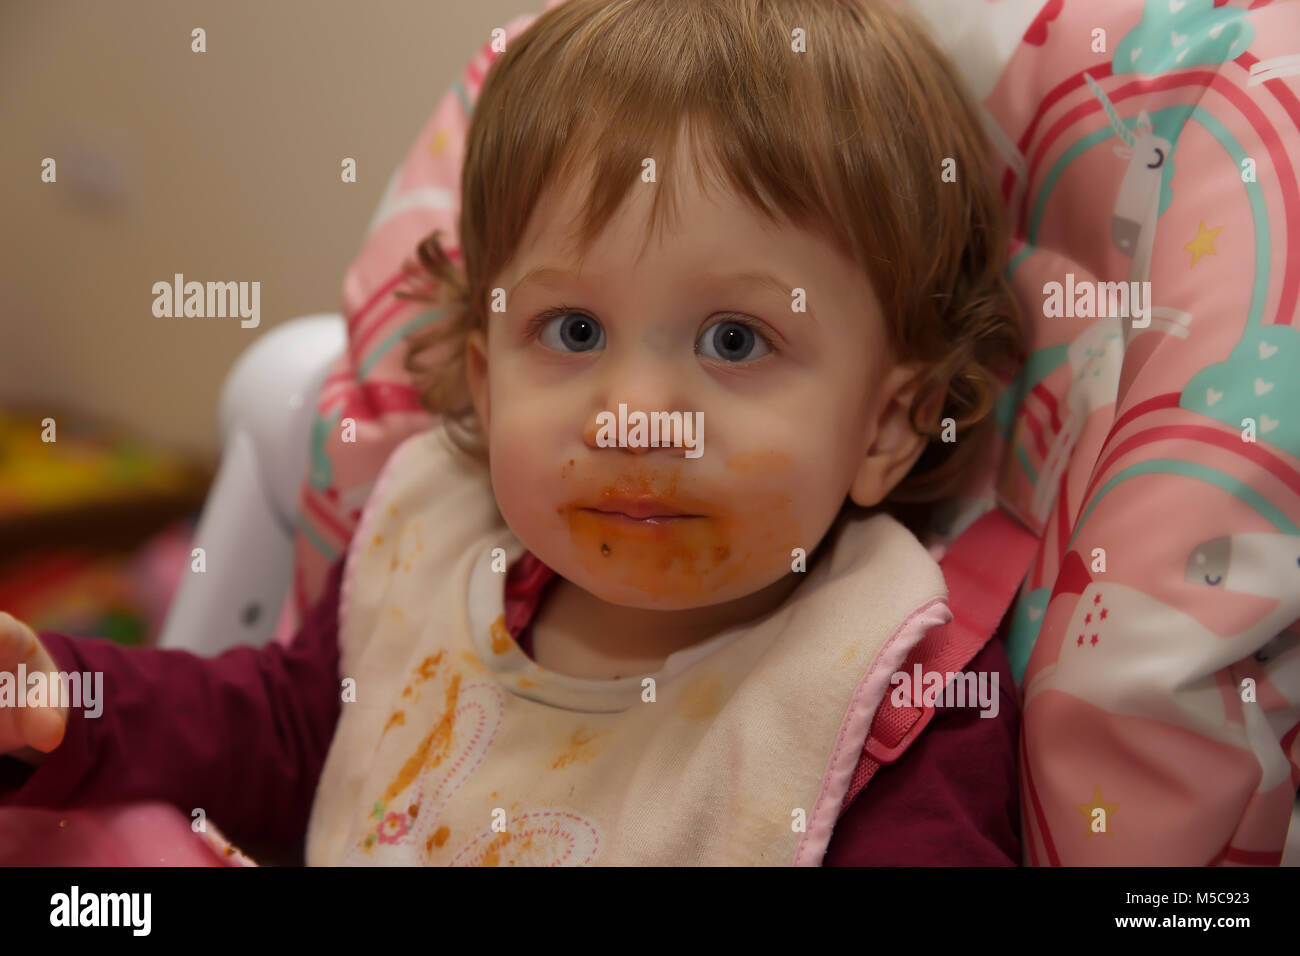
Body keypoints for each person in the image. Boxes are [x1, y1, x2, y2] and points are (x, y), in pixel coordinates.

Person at [0, 0, 1024, 865]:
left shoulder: (891, 703)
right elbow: (288, 735)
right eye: (571, 329)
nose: (631, 417)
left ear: (891, 422)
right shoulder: (433, 547)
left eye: (734, 338)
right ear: (485, 384)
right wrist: (63, 695)